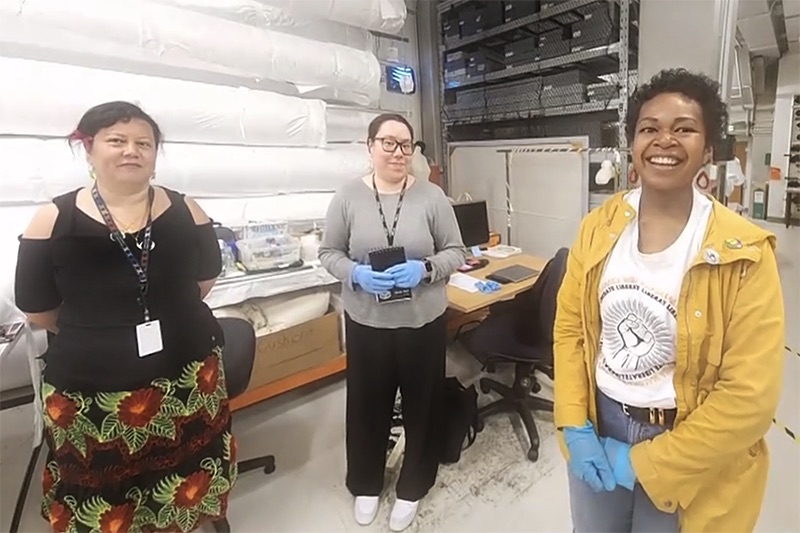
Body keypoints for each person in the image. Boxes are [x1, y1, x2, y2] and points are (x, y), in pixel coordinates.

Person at [554, 69, 785, 533]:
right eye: (649, 128)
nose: (664, 139)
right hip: (601, 424)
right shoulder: (597, 228)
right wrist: (573, 422)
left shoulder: (745, 253)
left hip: (689, 440)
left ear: (709, 150)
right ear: (633, 146)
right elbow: (571, 330)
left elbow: (749, 396)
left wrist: (649, 463)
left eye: (684, 128)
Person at [14, 101, 236, 532]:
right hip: (93, 394)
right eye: (117, 140)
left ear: (155, 156)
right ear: (89, 150)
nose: (131, 150)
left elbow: (204, 280)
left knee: (181, 479)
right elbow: (36, 305)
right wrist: (97, 333)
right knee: (105, 497)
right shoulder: (53, 220)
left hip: (188, 379)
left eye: (143, 143)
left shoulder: (186, 210)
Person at [318, 113, 467, 532]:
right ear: (370, 147)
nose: (398, 152)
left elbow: (456, 250)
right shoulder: (347, 197)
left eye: (406, 145)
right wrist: (356, 274)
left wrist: (426, 270)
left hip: (423, 321)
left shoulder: (432, 197)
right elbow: (329, 253)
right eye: (388, 143)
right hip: (367, 321)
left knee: (423, 404)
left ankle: (413, 485)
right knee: (367, 405)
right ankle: (366, 482)